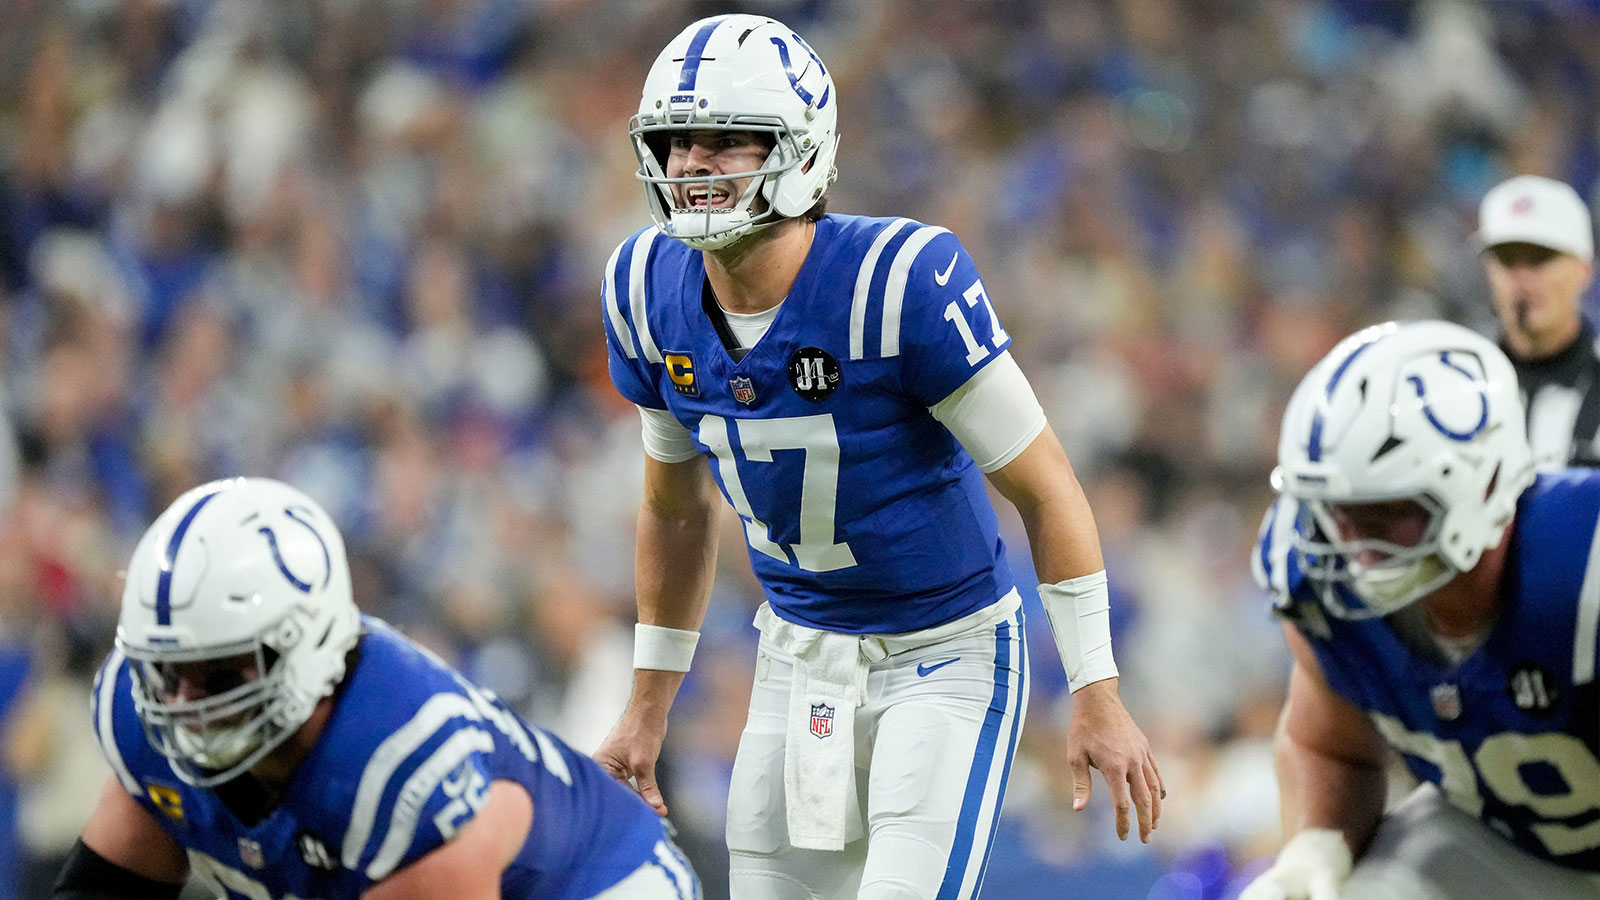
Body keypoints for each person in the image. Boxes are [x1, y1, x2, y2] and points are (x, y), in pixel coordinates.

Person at [594, 13, 1160, 900]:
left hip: (948, 652)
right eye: (675, 143)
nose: (692, 166)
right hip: (796, 657)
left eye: (726, 142)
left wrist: (1096, 685)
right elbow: (673, 507)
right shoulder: (643, 290)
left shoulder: (897, 280)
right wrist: (646, 703)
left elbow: (1046, 489)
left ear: (803, 150)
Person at [53, 477, 701, 900]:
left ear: (305, 647)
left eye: (222, 673)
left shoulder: (401, 754)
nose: (187, 706)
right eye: (169, 674)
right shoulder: (148, 724)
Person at [1244, 320, 1600, 899]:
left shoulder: (1583, 562)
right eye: (1340, 514)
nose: (1356, 546)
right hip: (1502, 848)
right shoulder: (1324, 593)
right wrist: (1316, 850)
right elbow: (1329, 746)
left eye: (1387, 512)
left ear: (1482, 486)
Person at [1476, 174, 1600, 468]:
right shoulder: (1459, 387)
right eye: (1507, 260)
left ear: (1584, 269)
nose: (1522, 278)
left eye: (1541, 258)